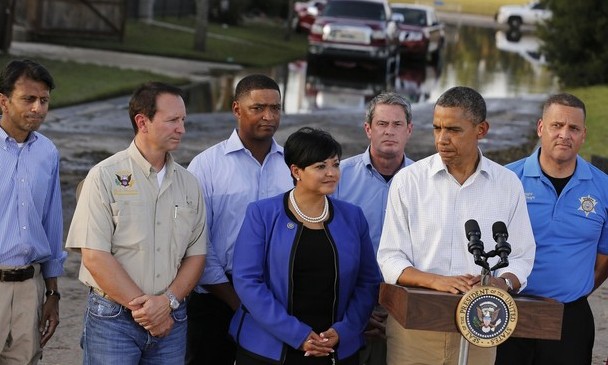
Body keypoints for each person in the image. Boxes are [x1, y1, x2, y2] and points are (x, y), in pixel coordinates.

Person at [376, 86, 536, 365]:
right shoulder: (409, 181)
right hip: (415, 326)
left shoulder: (508, 184)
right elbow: (390, 258)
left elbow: (521, 257)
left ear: (481, 129)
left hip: (482, 325)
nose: (442, 139)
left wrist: (501, 283)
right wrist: (436, 282)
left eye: (453, 130)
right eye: (437, 128)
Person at [65, 82, 207, 364]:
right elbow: (94, 255)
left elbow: (197, 255)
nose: (182, 129)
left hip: (171, 318)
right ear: (142, 121)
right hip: (113, 320)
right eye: (172, 121)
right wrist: (147, 311)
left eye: (183, 120)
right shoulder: (103, 176)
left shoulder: (190, 184)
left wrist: (165, 304)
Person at [230, 126, 382, 364]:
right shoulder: (262, 214)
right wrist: (297, 334)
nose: (331, 172)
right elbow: (247, 280)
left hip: (335, 348)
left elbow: (368, 281)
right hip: (268, 350)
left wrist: (344, 331)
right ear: (296, 171)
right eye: (320, 166)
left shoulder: (353, 217)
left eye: (335, 164)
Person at [186, 74, 293, 364]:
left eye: (275, 108)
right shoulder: (206, 166)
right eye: (257, 108)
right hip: (216, 297)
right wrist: (238, 301)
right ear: (236, 109)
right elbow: (197, 241)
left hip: (277, 297)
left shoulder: (293, 167)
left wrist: (263, 305)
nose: (269, 116)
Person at [495, 93, 608, 365]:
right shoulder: (506, 180)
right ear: (540, 128)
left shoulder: (603, 187)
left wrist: (575, 289)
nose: (564, 135)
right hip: (510, 311)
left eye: (573, 128)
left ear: (583, 135)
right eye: (557, 125)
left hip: (570, 318)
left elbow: (605, 256)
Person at [333, 91, 414, 365]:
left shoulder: (426, 183)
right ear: (368, 129)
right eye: (382, 124)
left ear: (409, 130)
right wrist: (358, 310)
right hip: (346, 302)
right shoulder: (339, 178)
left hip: (405, 302)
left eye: (397, 124)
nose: (389, 131)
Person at [0, 59, 67, 365]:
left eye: (44, 101)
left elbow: (52, 224)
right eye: (29, 99)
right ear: (3, 101)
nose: (38, 108)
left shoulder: (47, 153)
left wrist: (52, 293)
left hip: (30, 288)